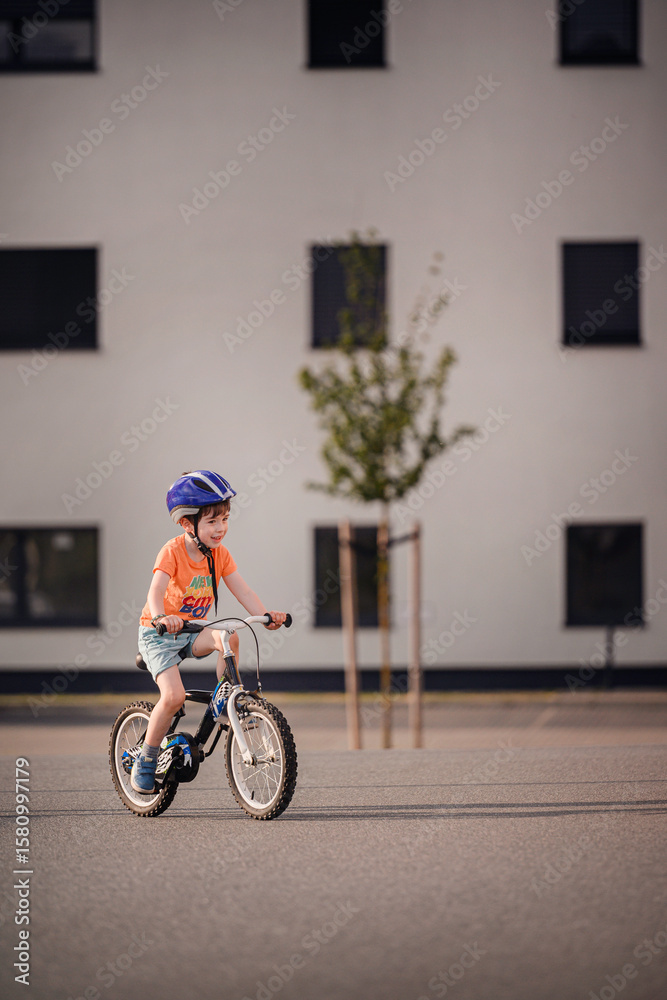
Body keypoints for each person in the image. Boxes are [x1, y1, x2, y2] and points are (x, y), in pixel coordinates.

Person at [131, 470, 287, 794]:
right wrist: (162, 616)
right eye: (212, 521)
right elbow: (155, 591)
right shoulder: (172, 551)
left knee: (230, 635)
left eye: (225, 519)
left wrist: (264, 615)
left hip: (192, 630)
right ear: (188, 524)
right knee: (173, 697)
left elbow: (242, 590)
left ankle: (228, 697)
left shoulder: (220, 554)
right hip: (158, 633)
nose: (221, 529)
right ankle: (145, 760)